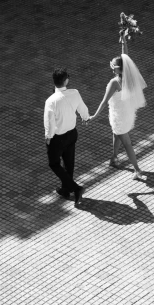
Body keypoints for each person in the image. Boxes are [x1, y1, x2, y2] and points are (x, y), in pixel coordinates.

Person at [88, 39, 146, 180]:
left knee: (127, 143)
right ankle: (113, 158)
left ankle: (137, 170)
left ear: (116, 68)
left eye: (113, 65)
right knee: (116, 134)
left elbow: (104, 101)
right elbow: (124, 57)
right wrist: (123, 41)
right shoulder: (128, 76)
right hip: (127, 113)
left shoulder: (114, 83)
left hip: (118, 116)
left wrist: (94, 116)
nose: (111, 66)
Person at [44, 67, 89, 205]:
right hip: (72, 134)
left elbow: (49, 121)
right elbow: (83, 109)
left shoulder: (51, 101)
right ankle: (66, 190)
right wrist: (85, 117)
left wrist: (48, 136)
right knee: (69, 164)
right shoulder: (74, 93)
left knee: (54, 163)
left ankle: (76, 188)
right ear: (66, 80)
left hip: (58, 137)